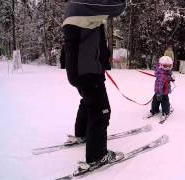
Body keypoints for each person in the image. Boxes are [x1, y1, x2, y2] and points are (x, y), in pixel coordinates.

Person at [62, 0, 126, 171]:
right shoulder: (83, 4)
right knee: (101, 111)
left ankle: (82, 134)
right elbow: (117, 7)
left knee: (88, 102)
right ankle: (97, 156)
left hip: (81, 71)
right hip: (88, 71)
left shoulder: (76, 7)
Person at [149, 56, 175, 120]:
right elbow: (159, 84)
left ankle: (163, 111)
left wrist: (172, 78)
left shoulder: (167, 71)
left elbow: (168, 76)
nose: (168, 68)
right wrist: (158, 93)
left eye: (170, 66)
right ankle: (155, 110)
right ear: (161, 65)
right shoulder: (160, 74)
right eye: (166, 66)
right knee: (158, 101)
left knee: (163, 101)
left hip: (165, 91)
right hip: (160, 91)